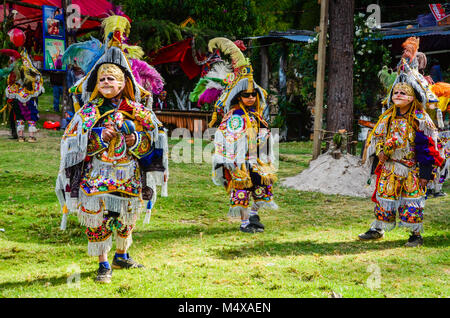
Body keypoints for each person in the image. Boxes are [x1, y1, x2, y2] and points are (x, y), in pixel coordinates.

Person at [55, 15, 168, 283]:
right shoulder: (88, 111)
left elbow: (157, 136)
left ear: (123, 83)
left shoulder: (138, 110)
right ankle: (103, 263)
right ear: (96, 84)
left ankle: (121, 255)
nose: (106, 82)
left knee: (127, 215)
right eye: (102, 79)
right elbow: (70, 141)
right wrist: (96, 136)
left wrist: (135, 142)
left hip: (129, 173)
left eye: (111, 79)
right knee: (99, 217)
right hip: (97, 173)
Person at [360, 50, 444, 247]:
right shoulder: (387, 117)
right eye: (395, 92)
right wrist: (380, 150)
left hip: (411, 169)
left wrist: (425, 171)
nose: (398, 95)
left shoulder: (420, 119)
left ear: (413, 97)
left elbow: (430, 146)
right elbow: (377, 137)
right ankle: (378, 228)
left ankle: (415, 235)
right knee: (383, 198)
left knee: (412, 201)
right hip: (389, 167)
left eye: (403, 92)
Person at [199, 38, 278, 233]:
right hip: (239, 161)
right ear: (238, 97)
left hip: (258, 159)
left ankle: (253, 214)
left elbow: (264, 134)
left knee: (263, 186)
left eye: (253, 95)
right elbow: (228, 136)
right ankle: (244, 223)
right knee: (242, 188)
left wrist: (264, 141)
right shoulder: (234, 116)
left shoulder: (256, 114)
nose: (250, 98)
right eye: (246, 95)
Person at [5, 49, 45, 142]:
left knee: (20, 118)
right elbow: (38, 79)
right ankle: (31, 137)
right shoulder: (31, 72)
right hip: (29, 98)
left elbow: (10, 84)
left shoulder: (14, 73)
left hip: (18, 98)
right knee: (31, 117)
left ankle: (21, 137)